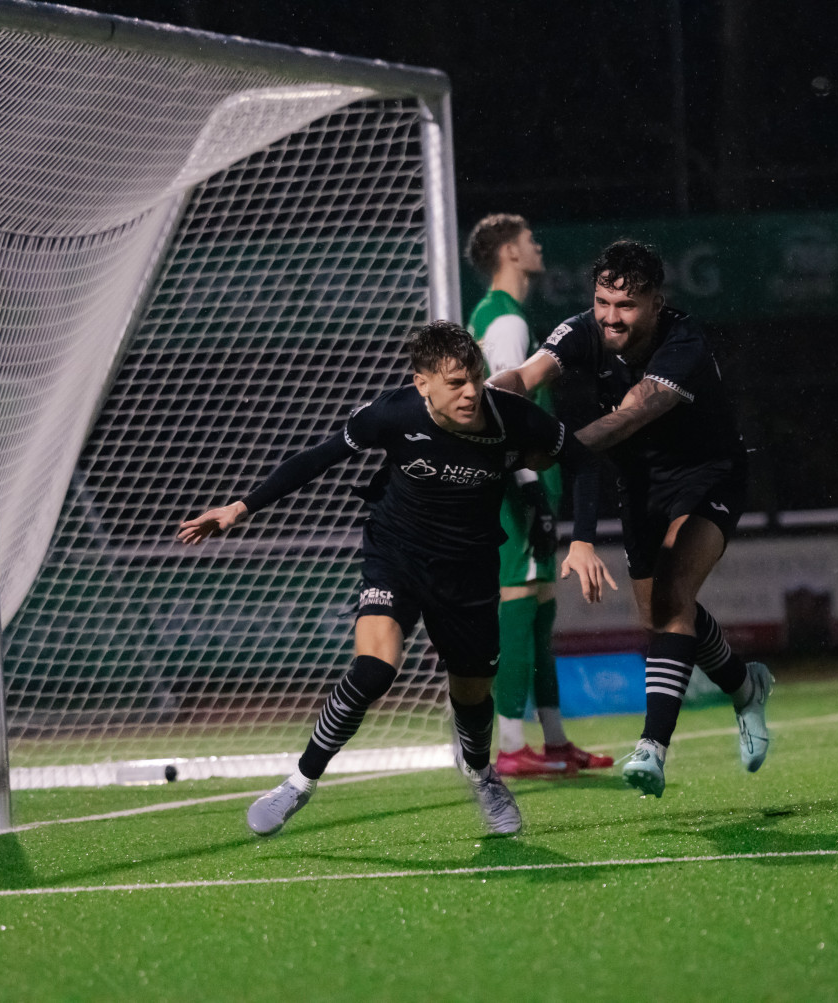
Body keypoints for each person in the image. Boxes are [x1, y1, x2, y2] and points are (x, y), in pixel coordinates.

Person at [177, 321, 614, 837]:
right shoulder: (393, 413)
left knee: (472, 696)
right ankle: (296, 784)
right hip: (396, 556)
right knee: (373, 670)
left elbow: (583, 461)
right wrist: (240, 507)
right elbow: (317, 458)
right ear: (421, 382)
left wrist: (582, 539)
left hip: (469, 570)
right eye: (455, 382)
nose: (472, 390)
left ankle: (480, 773)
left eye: (474, 376)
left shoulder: (511, 416)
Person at [488, 239, 772, 798]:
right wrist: (476, 405)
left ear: (657, 303)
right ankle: (746, 686)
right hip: (639, 484)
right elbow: (525, 376)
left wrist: (552, 448)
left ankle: (652, 748)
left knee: (671, 595)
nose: (611, 318)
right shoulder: (582, 330)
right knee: (662, 612)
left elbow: (627, 418)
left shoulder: (683, 343)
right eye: (602, 302)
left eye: (627, 306)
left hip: (707, 474)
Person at [465, 213, 614, 777]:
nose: (538, 244)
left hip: (528, 481)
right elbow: (506, 410)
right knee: (517, 608)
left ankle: (553, 740)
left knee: (540, 614)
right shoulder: (505, 323)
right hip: (517, 485)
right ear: (508, 252)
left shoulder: (494, 316)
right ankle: (508, 746)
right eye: (529, 239)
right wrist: (527, 485)